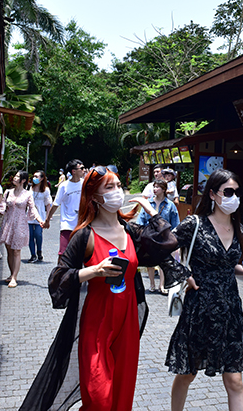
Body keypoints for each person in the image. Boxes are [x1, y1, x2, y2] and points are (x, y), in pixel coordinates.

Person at [19, 166, 184, 411]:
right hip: (97, 324)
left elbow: (168, 242)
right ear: (94, 196)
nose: (117, 191)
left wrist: (150, 210)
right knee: (99, 399)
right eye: (109, 187)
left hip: (127, 323)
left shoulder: (131, 232)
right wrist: (93, 271)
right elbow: (58, 279)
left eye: (119, 186)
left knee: (121, 398)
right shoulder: (85, 235)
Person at [166, 169, 243, 411]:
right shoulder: (195, 224)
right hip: (200, 309)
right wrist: (184, 274)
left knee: (235, 380)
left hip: (230, 311)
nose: (234, 197)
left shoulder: (238, 227)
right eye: (228, 192)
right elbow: (163, 249)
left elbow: (231, 266)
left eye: (237, 192)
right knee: (187, 374)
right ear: (212, 194)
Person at [0, 171, 44, 288]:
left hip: (20, 224)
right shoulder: (8, 192)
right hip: (8, 224)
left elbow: (32, 209)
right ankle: (11, 273)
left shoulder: (27, 194)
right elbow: (2, 207)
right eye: (15, 176)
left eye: (18, 176)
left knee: (16, 250)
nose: (15, 178)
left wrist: (40, 220)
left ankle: (14, 277)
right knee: (9, 250)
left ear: (23, 180)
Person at [136, 178, 180, 294]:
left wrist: (175, 240)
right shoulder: (148, 203)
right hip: (149, 236)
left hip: (163, 237)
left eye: (158, 187)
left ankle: (162, 285)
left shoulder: (170, 205)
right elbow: (140, 220)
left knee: (163, 260)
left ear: (164, 189)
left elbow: (175, 223)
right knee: (149, 261)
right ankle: (152, 284)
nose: (155, 189)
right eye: (154, 187)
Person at [46, 159, 85, 256]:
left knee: (80, 254)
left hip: (81, 224)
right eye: (82, 168)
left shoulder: (85, 184)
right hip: (67, 224)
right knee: (63, 253)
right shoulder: (64, 186)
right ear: (74, 171)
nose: (84, 170)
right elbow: (56, 204)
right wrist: (47, 220)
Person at [27, 170, 53, 263]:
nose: (34, 178)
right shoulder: (29, 188)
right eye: (34, 176)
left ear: (42, 178)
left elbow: (48, 204)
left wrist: (48, 217)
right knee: (30, 235)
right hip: (29, 214)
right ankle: (33, 254)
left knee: (38, 234)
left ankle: (39, 251)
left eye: (37, 176)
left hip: (40, 214)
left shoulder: (45, 190)